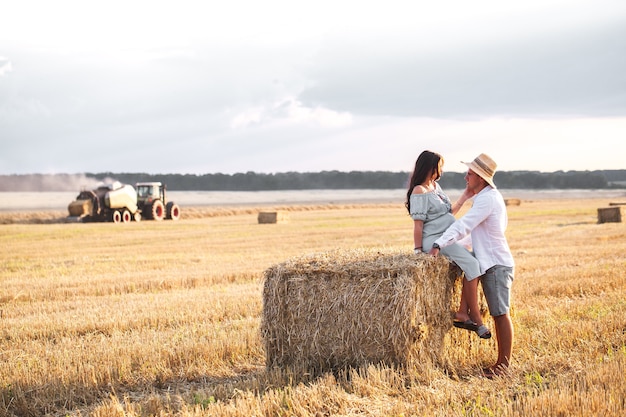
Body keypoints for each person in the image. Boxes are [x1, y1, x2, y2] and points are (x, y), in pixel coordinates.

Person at [429, 153, 515, 378]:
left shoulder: (487, 199)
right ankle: (465, 313)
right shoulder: (487, 197)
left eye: (469, 174)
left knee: (500, 314)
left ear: (480, 177)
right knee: (497, 311)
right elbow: (475, 234)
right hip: (492, 262)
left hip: (496, 264)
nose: (465, 178)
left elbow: (465, 225)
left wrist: (439, 243)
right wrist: (452, 246)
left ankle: (503, 367)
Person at [405, 150, 491, 339]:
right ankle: (476, 318)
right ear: (431, 167)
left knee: (474, 261)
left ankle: (462, 311)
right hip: (434, 240)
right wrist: (418, 252)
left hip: (448, 237)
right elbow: (418, 225)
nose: (442, 170)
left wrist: (465, 196)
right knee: (473, 265)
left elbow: (448, 213)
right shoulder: (419, 190)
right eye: (440, 165)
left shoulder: (436, 186)